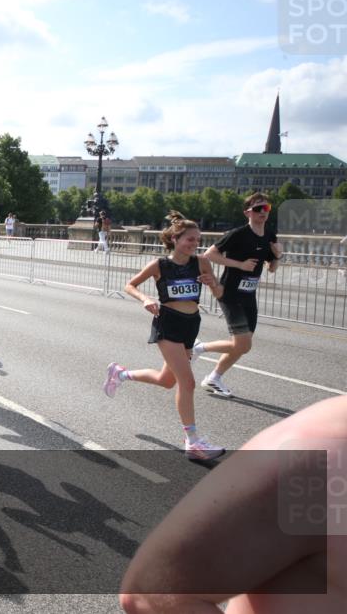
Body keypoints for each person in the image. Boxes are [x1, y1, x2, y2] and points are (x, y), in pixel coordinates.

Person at [120, 395, 347, 613]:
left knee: (180, 381)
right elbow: (151, 593)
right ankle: (190, 437)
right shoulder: (318, 452)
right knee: (180, 382)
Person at [103, 212, 225, 461]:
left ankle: (120, 374)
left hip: (191, 324)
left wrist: (212, 283)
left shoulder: (201, 262)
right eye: (190, 239)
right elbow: (130, 285)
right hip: (168, 324)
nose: (195, 243)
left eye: (198, 239)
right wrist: (145, 299)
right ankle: (192, 441)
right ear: (175, 239)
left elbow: (219, 293)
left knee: (166, 380)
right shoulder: (159, 265)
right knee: (187, 383)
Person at [192, 192, 281, 398]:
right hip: (230, 294)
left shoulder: (269, 235)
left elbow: (272, 268)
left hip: (249, 295)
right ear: (247, 212)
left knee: (242, 346)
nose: (263, 212)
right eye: (258, 208)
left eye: (266, 208)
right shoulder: (238, 234)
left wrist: (278, 255)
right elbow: (209, 254)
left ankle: (214, 378)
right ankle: (199, 348)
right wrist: (239, 264)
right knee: (243, 344)